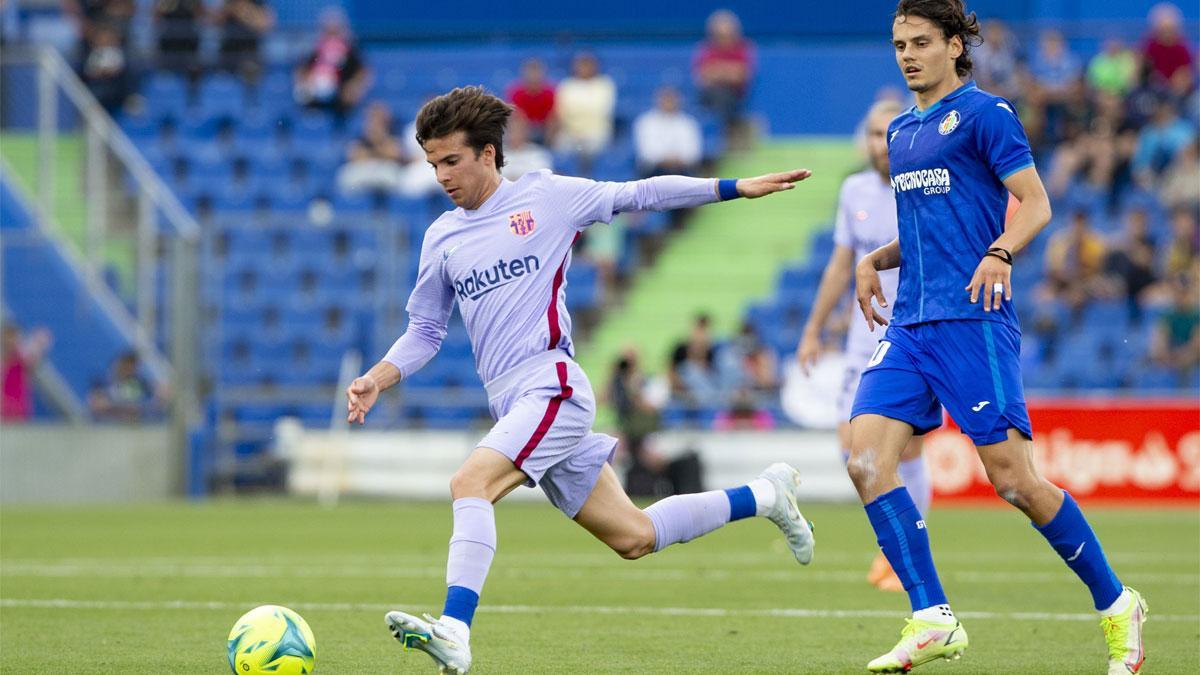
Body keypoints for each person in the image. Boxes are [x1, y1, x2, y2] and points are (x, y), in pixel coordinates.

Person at [343, 86, 816, 674]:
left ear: (489, 153)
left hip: (553, 386)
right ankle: (768, 495)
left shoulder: (547, 196)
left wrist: (731, 187)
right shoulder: (442, 236)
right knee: (635, 536)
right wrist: (377, 378)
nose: (440, 175)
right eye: (432, 163)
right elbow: (425, 331)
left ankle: (455, 632)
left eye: (451, 160)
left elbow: (640, 193)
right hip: (512, 401)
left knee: (471, 484)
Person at [849, 1, 1146, 672]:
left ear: (956, 45)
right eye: (899, 43)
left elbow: (1036, 204)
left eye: (921, 41)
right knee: (866, 459)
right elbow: (928, 231)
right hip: (911, 325)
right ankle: (931, 616)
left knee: (1014, 481)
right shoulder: (899, 131)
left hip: (973, 320)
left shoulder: (987, 114)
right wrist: (874, 259)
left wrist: (1001, 252)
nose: (907, 54)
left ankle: (1116, 601)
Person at [797, 98, 931, 594]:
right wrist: (813, 328)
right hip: (861, 341)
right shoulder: (854, 188)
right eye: (874, 134)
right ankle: (898, 544)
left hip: (913, 338)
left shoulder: (926, 186)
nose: (881, 143)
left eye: (888, 133)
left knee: (906, 453)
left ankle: (903, 556)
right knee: (854, 453)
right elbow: (840, 265)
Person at [293, 7, 370, 119]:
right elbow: (301, 70)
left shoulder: (350, 49)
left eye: (335, 30)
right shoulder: (315, 48)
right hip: (315, 93)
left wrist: (354, 87)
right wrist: (304, 79)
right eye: (328, 30)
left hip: (341, 96)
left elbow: (363, 72)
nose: (331, 34)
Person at [693, 9, 755, 139]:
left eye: (727, 35)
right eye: (719, 35)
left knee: (722, 96)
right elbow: (702, 76)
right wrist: (729, 71)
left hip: (734, 97)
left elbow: (741, 76)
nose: (724, 39)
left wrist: (716, 71)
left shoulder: (743, 49)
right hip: (708, 95)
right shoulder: (706, 49)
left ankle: (720, 137)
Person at [552, 52, 616, 163]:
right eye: (581, 65)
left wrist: (578, 112)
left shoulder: (604, 84)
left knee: (594, 145)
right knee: (561, 146)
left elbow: (601, 110)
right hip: (569, 131)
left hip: (596, 131)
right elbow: (562, 111)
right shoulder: (567, 84)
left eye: (588, 65)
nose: (584, 68)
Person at [336, 101, 404, 195]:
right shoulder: (361, 135)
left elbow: (394, 155)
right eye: (373, 117)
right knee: (345, 176)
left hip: (384, 168)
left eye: (379, 117)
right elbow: (353, 156)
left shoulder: (393, 133)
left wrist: (378, 141)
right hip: (364, 169)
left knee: (395, 177)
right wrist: (380, 152)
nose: (375, 120)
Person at [633, 87, 703, 178]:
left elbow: (693, 154)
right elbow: (646, 153)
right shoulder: (646, 121)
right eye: (665, 99)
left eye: (672, 99)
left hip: (682, 171)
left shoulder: (688, 123)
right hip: (653, 171)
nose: (668, 102)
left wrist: (676, 160)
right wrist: (665, 160)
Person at [88, 351, 167, 422]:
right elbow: (97, 406)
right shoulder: (101, 383)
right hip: (108, 428)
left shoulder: (141, 384)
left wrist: (114, 406)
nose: (131, 371)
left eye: (133, 367)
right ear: (119, 364)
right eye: (127, 366)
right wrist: (129, 408)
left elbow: (158, 403)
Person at [1, 324, 51, 421]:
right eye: (7, 338)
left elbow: (34, 359)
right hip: (3, 408)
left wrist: (39, 344)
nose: (9, 342)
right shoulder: (3, 360)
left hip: (19, 408)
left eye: (13, 338)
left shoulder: (22, 358)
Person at [214, 0, 274, 80]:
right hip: (228, 49)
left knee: (251, 72)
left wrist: (242, 10)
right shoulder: (228, 2)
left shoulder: (257, 2)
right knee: (220, 81)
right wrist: (231, 8)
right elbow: (214, 21)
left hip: (250, 50)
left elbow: (265, 25)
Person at [506, 58, 555, 144]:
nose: (533, 76)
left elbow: (553, 116)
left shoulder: (549, 92)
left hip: (545, 129)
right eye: (531, 73)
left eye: (536, 73)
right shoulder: (517, 92)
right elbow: (515, 114)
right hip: (525, 128)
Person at [498, 111, 552, 181]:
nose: (516, 134)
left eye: (519, 129)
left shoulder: (537, 154)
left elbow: (543, 177)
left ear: (526, 131)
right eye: (513, 130)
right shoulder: (498, 155)